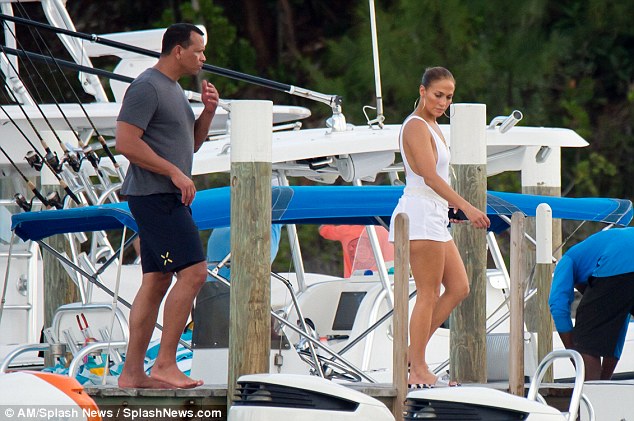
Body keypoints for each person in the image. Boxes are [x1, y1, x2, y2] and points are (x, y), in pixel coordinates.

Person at [115, 23, 219, 389]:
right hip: (154, 196)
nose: (203, 58)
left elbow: (189, 145)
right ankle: (165, 364)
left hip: (165, 196)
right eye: (198, 51)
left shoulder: (174, 90)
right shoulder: (146, 86)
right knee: (194, 273)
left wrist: (207, 114)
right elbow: (125, 142)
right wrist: (174, 172)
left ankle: (131, 374)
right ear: (178, 50)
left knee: (157, 280)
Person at [388, 67, 490, 388]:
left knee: (459, 287)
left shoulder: (434, 126)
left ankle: (409, 355)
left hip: (435, 214)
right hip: (418, 214)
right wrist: (467, 206)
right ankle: (418, 367)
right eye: (437, 95)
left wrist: (450, 208)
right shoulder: (416, 126)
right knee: (428, 294)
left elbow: (437, 181)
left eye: (448, 97)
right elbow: (429, 177)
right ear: (422, 91)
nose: (443, 102)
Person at [549, 227, 634, 380]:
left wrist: (574, 352)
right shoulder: (591, 257)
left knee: (586, 340)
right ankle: (599, 390)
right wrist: (605, 379)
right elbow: (618, 324)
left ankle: (591, 397)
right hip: (622, 250)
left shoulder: (568, 260)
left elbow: (557, 305)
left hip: (618, 256)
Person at [318, 225, 394, 278]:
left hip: (352, 281)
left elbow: (322, 229)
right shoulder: (383, 231)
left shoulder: (345, 230)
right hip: (376, 280)